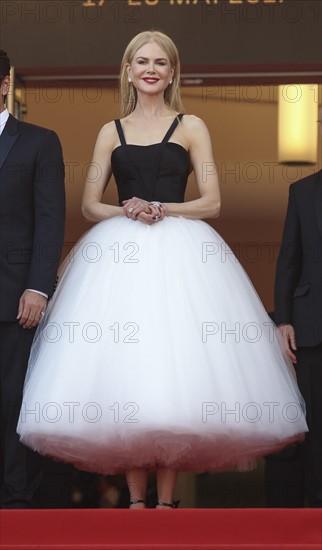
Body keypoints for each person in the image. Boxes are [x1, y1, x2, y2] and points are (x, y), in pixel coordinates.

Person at [17, 31, 307, 509]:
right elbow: (90, 205)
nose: (151, 69)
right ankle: (134, 503)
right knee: (128, 371)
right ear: (128, 70)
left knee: (178, 372)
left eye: (161, 63)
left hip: (183, 251)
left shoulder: (192, 125)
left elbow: (212, 202)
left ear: (172, 72)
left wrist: (162, 208)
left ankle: (168, 504)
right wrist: (130, 210)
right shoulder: (111, 130)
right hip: (118, 256)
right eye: (142, 61)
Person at [0, 50, 65, 508]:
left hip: (15, 299)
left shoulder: (40, 142)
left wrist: (38, 286)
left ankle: (16, 503)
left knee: (13, 404)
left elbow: (50, 219)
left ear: (5, 84)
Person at [265, 109, 322, 508]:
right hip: (310, 326)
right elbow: (289, 259)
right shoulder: (302, 191)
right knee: (314, 423)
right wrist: (283, 319)